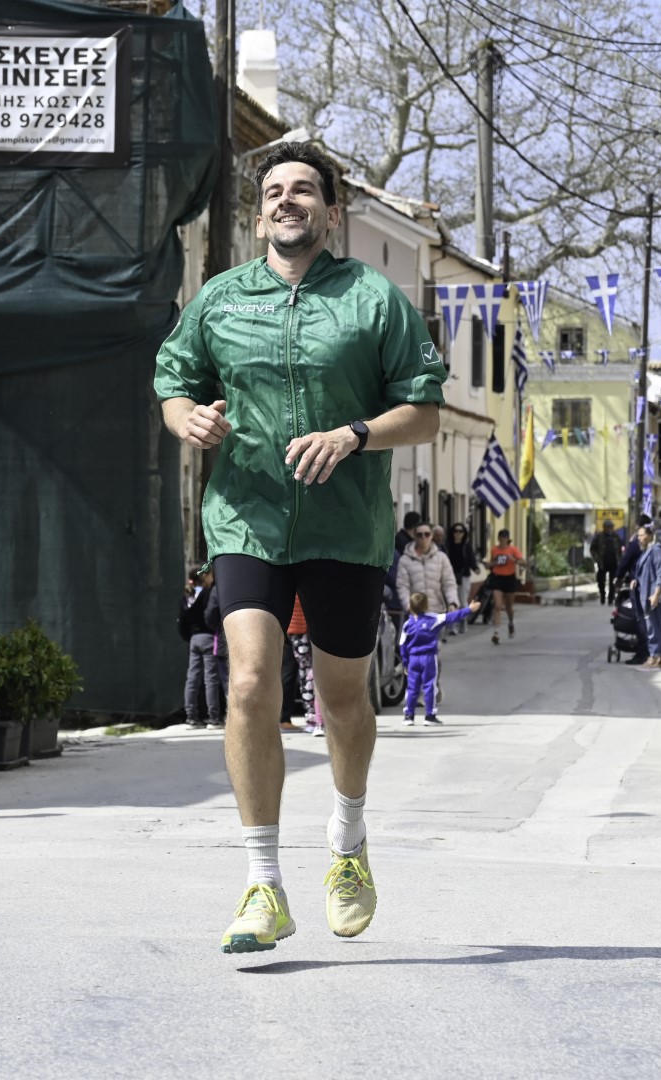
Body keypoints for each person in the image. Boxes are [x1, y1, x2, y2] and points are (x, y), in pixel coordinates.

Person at [155, 140, 444, 953]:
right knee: (250, 681)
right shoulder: (221, 299)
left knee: (343, 701)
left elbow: (423, 411)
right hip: (246, 516)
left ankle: (347, 844)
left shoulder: (372, 299)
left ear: (331, 213)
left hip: (344, 527)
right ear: (259, 218)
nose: (287, 200)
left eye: (304, 190)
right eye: (274, 191)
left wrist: (354, 435)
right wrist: (188, 420)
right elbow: (174, 383)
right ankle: (262, 885)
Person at [399, 594, 482, 726]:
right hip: (428, 658)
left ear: (411, 607)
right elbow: (452, 617)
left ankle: (409, 716)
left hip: (413, 659)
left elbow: (402, 644)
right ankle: (429, 716)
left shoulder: (408, 624)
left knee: (412, 687)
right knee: (429, 686)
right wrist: (469, 609)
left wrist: (405, 662)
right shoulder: (433, 619)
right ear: (426, 606)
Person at [180, 566, 224, 729]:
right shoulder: (208, 592)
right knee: (211, 678)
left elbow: (181, 622)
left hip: (193, 639)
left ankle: (191, 716)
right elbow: (211, 614)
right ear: (204, 576)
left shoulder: (186, 595)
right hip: (208, 637)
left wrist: (189, 636)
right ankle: (213, 718)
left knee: (192, 678)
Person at [633, 524, 661, 671]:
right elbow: (645, 570)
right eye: (638, 536)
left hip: (652, 594)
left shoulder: (656, 549)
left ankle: (654, 657)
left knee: (652, 626)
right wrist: (636, 580)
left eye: (642, 535)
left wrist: (656, 594)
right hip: (647, 592)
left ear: (650, 536)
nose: (639, 538)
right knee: (657, 625)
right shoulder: (648, 550)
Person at [396, 521, 456, 616]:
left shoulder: (441, 558)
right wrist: (408, 606)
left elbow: (449, 583)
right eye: (419, 535)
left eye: (427, 534)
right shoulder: (405, 560)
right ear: (415, 537)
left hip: (438, 612)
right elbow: (402, 586)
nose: (423, 537)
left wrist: (452, 603)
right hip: (415, 614)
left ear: (431, 536)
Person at [286, 598, 321, 736]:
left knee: (307, 673)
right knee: (310, 674)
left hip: (298, 628)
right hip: (301, 627)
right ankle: (315, 719)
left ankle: (313, 719)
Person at [486, 529, 526, 643]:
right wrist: (493, 563)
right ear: (498, 538)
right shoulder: (494, 549)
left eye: (504, 537)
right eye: (500, 537)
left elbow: (524, 563)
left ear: (508, 539)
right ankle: (496, 633)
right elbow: (490, 564)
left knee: (509, 607)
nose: (502, 539)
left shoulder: (513, 550)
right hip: (497, 578)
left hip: (509, 579)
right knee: (497, 606)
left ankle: (511, 623)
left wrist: (513, 560)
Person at [443, 522, 477, 634]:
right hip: (450, 577)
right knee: (452, 601)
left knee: (462, 602)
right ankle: (453, 626)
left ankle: (463, 622)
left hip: (464, 577)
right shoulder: (448, 546)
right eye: (456, 531)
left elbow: (471, 560)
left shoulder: (466, 546)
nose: (458, 534)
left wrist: (475, 568)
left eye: (460, 531)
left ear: (464, 533)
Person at [589, 519, 621, 606]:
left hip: (614, 562)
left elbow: (619, 549)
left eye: (611, 527)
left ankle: (611, 599)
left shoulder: (616, 537)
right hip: (602, 563)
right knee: (601, 581)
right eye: (608, 527)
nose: (609, 529)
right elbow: (592, 549)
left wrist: (620, 560)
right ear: (604, 528)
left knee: (613, 582)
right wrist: (597, 558)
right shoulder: (599, 536)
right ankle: (602, 596)